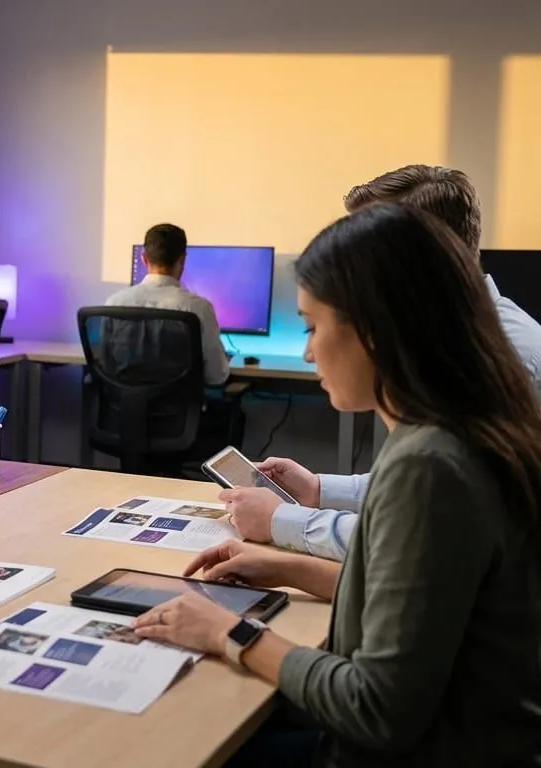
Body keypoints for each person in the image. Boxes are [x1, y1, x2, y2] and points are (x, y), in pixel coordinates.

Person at [132, 203, 541, 767]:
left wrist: (227, 631)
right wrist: (288, 568)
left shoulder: (430, 464)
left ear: (374, 330)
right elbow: (426, 602)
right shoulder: (455, 430)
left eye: (311, 326)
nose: (304, 350)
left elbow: (376, 707)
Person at [223, 165, 541, 559]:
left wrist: (282, 521)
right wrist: (318, 489)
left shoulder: (499, 359)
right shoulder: (451, 342)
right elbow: (422, 494)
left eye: (363, 256)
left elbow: (426, 537)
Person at [106, 223, 231, 386]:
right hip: (178, 409)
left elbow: (107, 366)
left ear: (144, 259)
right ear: (182, 259)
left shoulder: (114, 303)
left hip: (124, 407)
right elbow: (216, 377)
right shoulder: (198, 308)